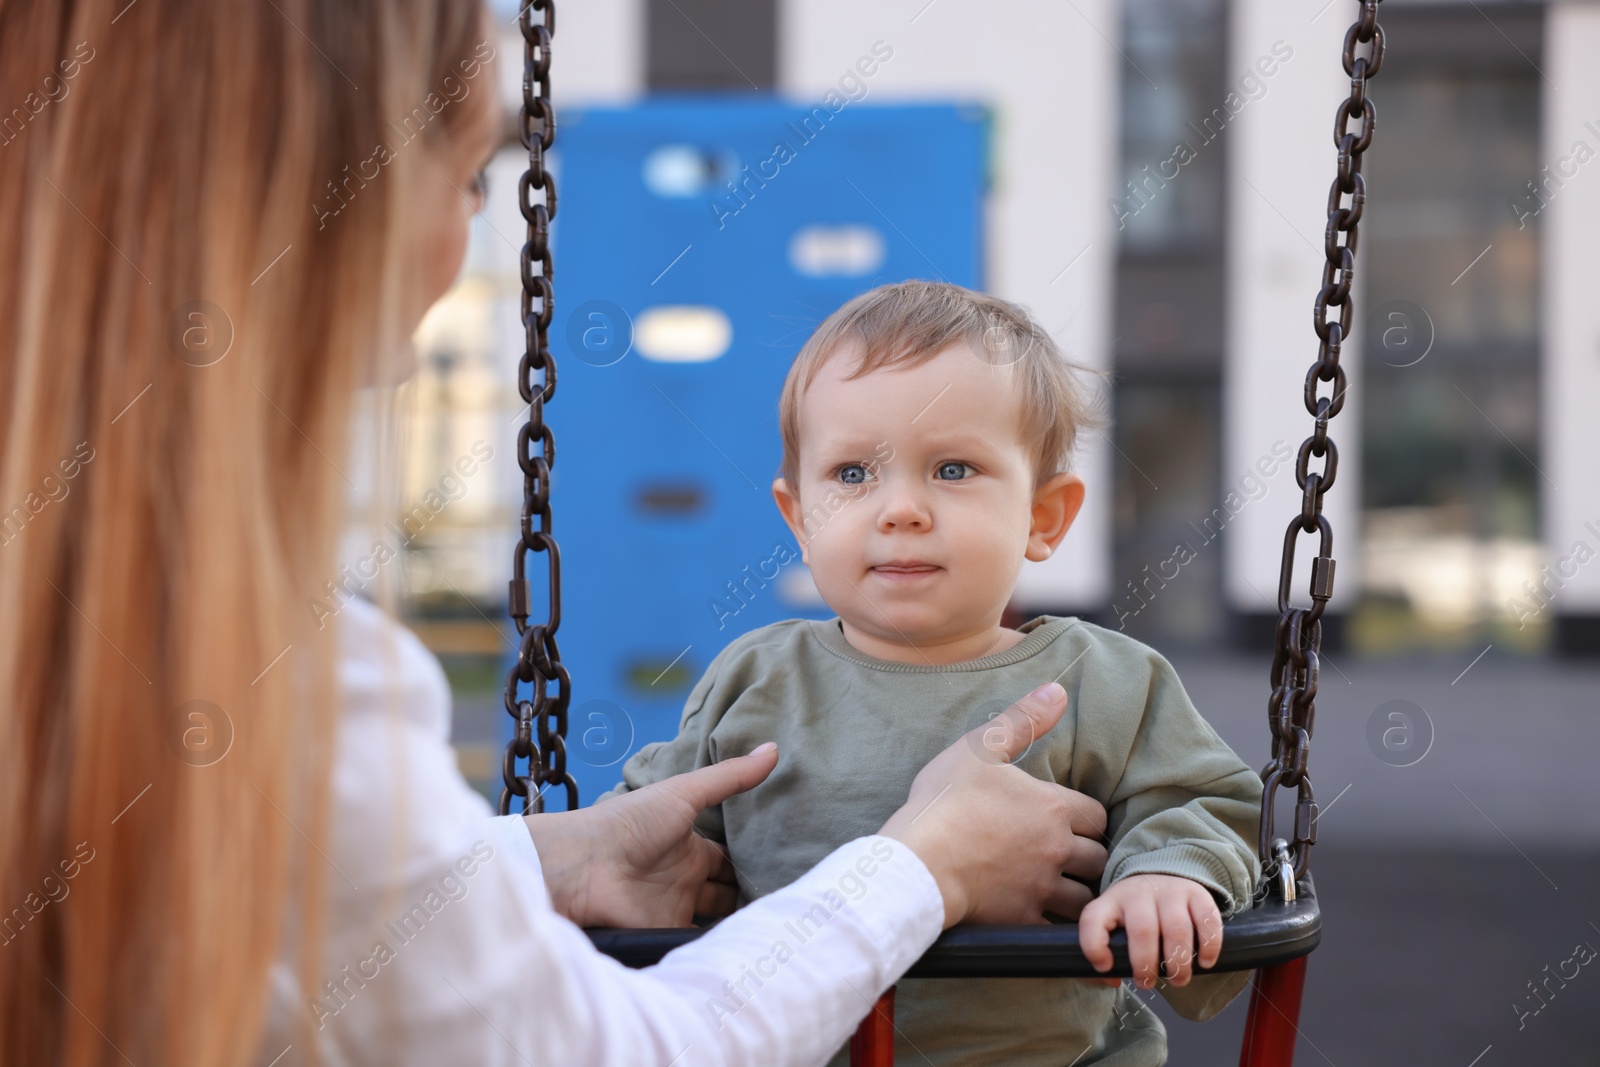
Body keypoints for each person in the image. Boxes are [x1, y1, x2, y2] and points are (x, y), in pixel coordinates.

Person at [0, 3, 1113, 1065]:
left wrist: (545, 855)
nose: (478, 222)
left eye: (955, 469)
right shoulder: (272, 669)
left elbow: (289, 881)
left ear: (1044, 513)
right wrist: (922, 865)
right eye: (469, 173)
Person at [601, 281, 1266, 1066]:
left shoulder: (1099, 677)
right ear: (799, 518)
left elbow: (1199, 801)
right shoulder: (755, 678)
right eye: (852, 474)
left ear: (1043, 517)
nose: (901, 509)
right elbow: (649, 829)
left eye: (953, 469)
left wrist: (1165, 872)